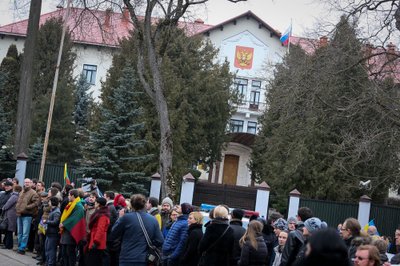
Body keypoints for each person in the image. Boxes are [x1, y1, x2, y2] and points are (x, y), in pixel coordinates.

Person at [111, 194, 163, 266]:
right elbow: (160, 240)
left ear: (131, 205)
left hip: (127, 257)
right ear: (144, 204)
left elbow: (113, 234)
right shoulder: (153, 219)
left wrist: (120, 218)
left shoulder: (126, 218)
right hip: (144, 258)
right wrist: (148, 244)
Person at [60, 189, 86, 266]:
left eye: (69, 195)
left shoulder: (79, 206)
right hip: (66, 231)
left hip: (71, 232)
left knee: (69, 252)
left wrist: (64, 223)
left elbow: (75, 218)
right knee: (64, 252)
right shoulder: (71, 204)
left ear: (73, 196)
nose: (68, 196)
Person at [15, 178, 40, 254]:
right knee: (19, 232)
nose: (27, 183)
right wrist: (17, 207)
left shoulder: (33, 193)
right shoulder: (22, 191)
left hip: (27, 215)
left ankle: (22, 248)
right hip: (19, 214)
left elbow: (36, 203)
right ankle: (19, 246)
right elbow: (18, 201)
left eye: (28, 182)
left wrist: (27, 207)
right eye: (25, 182)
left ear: (31, 183)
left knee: (25, 233)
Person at [85, 197, 110, 266]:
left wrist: (96, 242)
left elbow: (100, 230)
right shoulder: (100, 213)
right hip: (95, 240)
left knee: (94, 261)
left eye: (96, 202)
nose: (94, 203)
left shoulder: (102, 216)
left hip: (97, 242)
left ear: (98, 204)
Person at [2, 184, 21, 249]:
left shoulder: (14, 196)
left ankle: (8, 245)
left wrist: (3, 208)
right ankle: (8, 244)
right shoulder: (17, 196)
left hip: (10, 215)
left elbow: (8, 204)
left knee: (9, 230)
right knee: (9, 230)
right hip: (13, 214)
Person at [44, 197, 61, 266]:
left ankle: (50, 263)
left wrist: (47, 221)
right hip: (49, 233)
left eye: (49, 201)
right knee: (47, 249)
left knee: (51, 250)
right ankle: (48, 262)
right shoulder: (53, 210)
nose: (48, 203)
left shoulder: (56, 212)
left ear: (52, 202)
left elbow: (56, 222)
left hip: (53, 234)